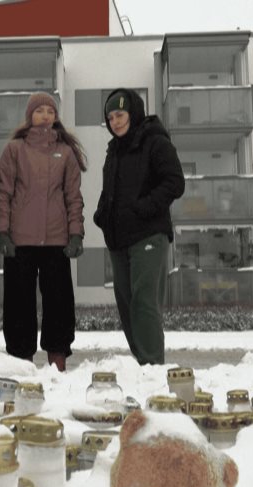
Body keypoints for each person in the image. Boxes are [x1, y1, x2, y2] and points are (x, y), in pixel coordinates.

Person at [0, 92, 86, 372]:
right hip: (19, 242)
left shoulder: (66, 152)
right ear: (29, 116)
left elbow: (73, 196)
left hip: (56, 242)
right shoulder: (14, 149)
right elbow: (3, 193)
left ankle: (57, 360)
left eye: (50, 111)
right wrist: (2, 232)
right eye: (39, 111)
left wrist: (76, 234)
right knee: (18, 304)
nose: (46, 115)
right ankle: (21, 360)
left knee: (59, 303)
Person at [93, 88, 185, 365]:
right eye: (110, 117)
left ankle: (153, 365)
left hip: (148, 234)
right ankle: (142, 363)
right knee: (127, 303)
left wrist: (143, 208)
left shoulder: (155, 141)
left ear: (133, 112)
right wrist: (101, 214)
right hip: (119, 238)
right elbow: (110, 190)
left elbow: (175, 182)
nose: (115, 122)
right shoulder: (114, 150)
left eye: (120, 114)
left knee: (144, 301)